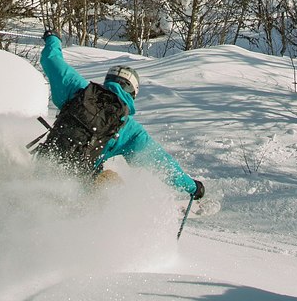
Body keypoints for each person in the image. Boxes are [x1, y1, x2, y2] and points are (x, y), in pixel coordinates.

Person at [39, 30, 204, 200]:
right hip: (77, 185)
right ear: (133, 93)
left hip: (44, 166)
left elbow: (51, 59)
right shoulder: (129, 129)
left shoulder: (78, 89)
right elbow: (163, 165)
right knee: (111, 180)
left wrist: (53, 38)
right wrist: (192, 187)